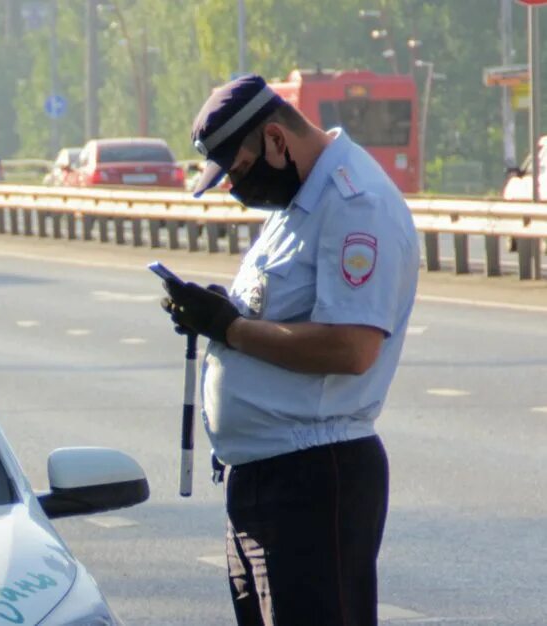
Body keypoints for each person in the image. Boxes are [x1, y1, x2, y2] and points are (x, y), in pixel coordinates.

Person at [159, 75, 419, 625]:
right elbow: (271, 312)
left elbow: (351, 347)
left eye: (240, 170)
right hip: (265, 475)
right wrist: (219, 313)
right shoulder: (297, 204)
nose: (234, 187)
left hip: (314, 477)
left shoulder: (354, 204)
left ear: (276, 140)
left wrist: (229, 328)